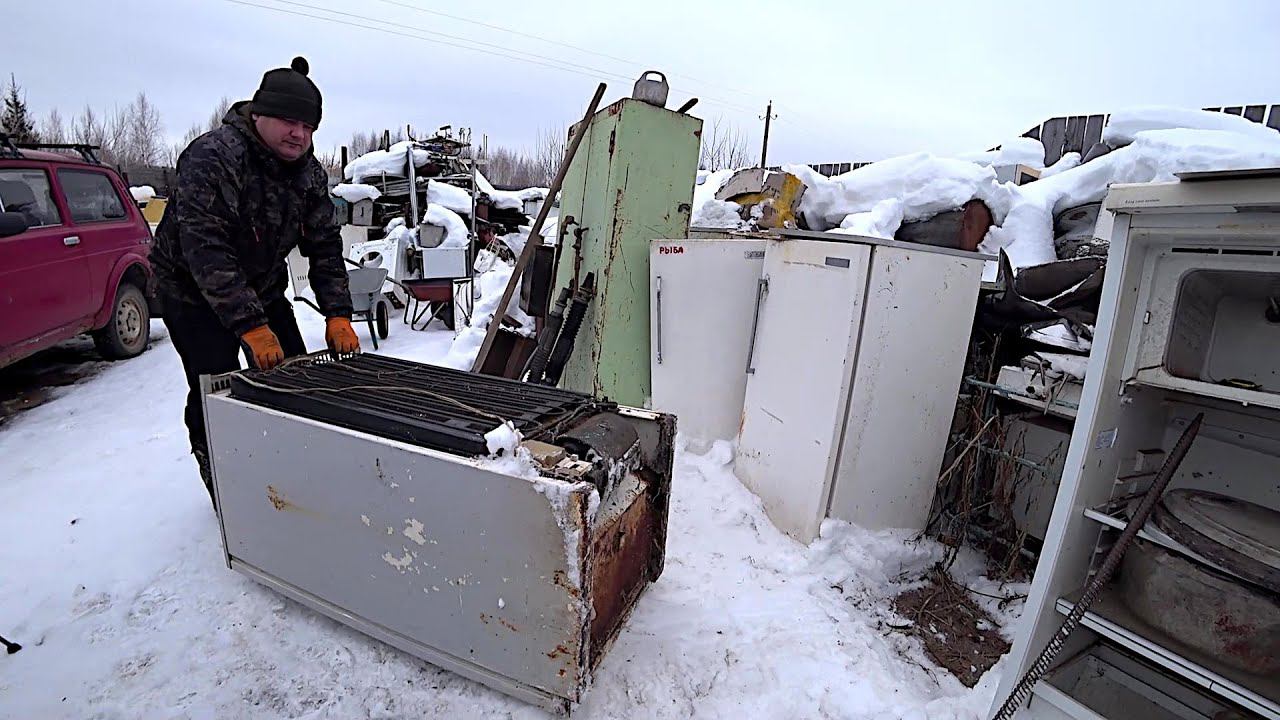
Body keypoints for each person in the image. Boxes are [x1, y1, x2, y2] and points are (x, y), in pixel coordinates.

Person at [153, 56, 360, 506]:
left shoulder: (309, 173)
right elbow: (206, 247)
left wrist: (338, 314)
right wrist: (249, 326)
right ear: (259, 115)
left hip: (263, 287)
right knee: (216, 387)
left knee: (293, 376)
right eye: (288, 121)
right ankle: (219, 470)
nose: (298, 134)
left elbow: (324, 245)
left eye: (308, 126)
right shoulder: (214, 157)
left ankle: (288, 466)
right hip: (191, 293)